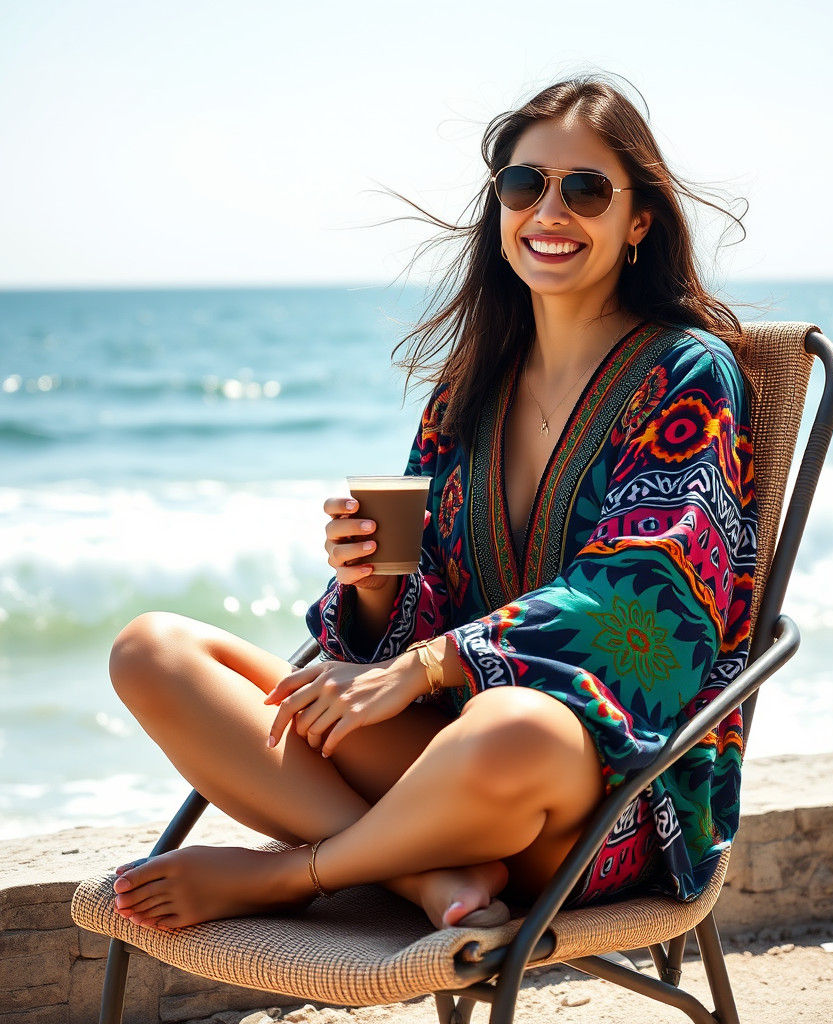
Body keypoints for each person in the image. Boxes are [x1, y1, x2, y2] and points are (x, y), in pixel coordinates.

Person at [109, 75, 757, 933]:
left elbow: (649, 612)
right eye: (524, 186)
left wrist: (427, 665)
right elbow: (416, 630)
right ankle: (425, 877)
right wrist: (374, 584)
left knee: (511, 721)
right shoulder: (467, 395)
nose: (549, 212)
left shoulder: (688, 374)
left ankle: (293, 875)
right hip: (445, 774)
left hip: (605, 798)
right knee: (151, 651)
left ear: (639, 220)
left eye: (587, 190)